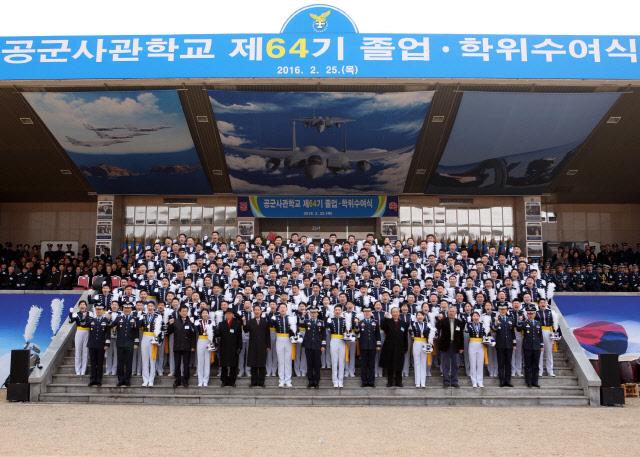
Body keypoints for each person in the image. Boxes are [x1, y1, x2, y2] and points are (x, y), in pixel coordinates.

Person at [167, 305, 196, 388]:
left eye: (186, 311)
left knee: (186, 364)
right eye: (182, 311)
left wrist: (193, 346)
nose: (184, 313)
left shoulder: (190, 322)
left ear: (187, 312)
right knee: (177, 364)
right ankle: (177, 380)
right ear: (179, 312)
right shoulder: (175, 321)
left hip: (187, 346)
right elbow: (168, 332)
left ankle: (185, 380)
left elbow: (193, 335)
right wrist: (170, 324)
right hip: (177, 346)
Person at [380, 307, 409, 388]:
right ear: (391, 313)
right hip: (389, 347)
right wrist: (385, 318)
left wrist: (405, 347)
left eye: (397, 312)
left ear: (399, 313)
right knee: (390, 365)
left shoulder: (404, 323)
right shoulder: (388, 322)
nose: (395, 313)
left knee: (399, 364)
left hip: (400, 347)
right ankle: (390, 381)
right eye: (393, 312)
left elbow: (405, 336)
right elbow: (382, 327)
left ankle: (399, 382)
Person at [243, 304, 271, 387]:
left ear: (261, 311)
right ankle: (253, 382)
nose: (257, 311)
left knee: (262, 364)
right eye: (255, 310)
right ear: (253, 311)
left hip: (262, 346)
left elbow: (267, 334)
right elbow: (245, 330)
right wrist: (244, 322)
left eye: (258, 310)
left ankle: (261, 382)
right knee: (253, 364)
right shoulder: (250, 321)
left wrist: (268, 345)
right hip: (253, 346)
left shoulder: (264, 321)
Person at [436, 306, 464, 388]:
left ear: (456, 313)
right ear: (448, 312)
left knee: (455, 364)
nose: (451, 313)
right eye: (450, 311)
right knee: (445, 364)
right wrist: (439, 319)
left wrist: (462, 347)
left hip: (455, 346)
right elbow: (437, 326)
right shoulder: (443, 321)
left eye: (453, 311)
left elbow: (461, 336)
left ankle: (455, 381)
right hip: (445, 346)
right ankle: (446, 381)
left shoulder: (459, 322)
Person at [111, 302, 138, 387]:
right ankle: (120, 379)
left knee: (129, 362)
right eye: (125, 308)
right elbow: (111, 325)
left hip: (130, 343)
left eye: (128, 308)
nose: (127, 310)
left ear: (131, 309)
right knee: (120, 362)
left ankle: (127, 380)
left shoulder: (134, 318)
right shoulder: (119, 318)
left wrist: (136, 342)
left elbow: (136, 331)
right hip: (120, 343)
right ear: (123, 309)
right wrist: (108, 318)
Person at [215, 308, 242, 387]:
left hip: (234, 348)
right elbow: (218, 334)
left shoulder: (237, 323)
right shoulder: (221, 323)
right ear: (225, 315)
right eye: (227, 314)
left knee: (233, 366)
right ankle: (224, 381)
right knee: (224, 365)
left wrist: (239, 347)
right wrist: (214, 330)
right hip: (224, 348)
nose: (228, 315)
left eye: (230, 314)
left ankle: (232, 381)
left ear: (232, 315)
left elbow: (239, 337)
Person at [271, 303, 296, 388]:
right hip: (279, 338)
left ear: (286, 309)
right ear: (278, 309)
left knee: (288, 360)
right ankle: (281, 380)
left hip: (288, 339)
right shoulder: (275, 317)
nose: (282, 309)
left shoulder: (291, 318)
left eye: (284, 307)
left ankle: (288, 380)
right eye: (281, 307)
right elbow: (270, 324)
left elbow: (294, 330)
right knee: (281, 360)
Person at [492, 303, 516, 387]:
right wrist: (496, 323)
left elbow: (512, 332)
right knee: (501, 363)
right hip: (500, 345)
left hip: (509, 345)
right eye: (501, 309)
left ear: (506, 310)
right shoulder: (496, 319)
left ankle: (508, 381)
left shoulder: (510, 319)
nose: (502, 311)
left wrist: (514, 343)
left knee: (508, 363)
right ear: (499, 310)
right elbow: (493, 329)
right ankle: (502, 381)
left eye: (504, 309)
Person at [356, 306, 381, 388]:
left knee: (371, 364)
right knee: (364, 365)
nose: (367, 313)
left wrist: (378, 345)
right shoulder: (360, 322)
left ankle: (371, 381)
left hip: (372, 346)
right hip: (363, 346)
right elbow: (357, 333)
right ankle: (364, 381)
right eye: (365, 312)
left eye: (368, 312)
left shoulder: (375, 322)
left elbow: (378, 334)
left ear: (371, 313)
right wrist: (356, 325)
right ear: (363, 313)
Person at [519, 306, 544, 388]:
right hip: (527, 347)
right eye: (529, 313)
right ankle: (528, 382)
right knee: (528, 365)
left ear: (535, 313)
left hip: (537, 347)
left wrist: (541, 345)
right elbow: (519, 328)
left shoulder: (538, 323)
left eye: (532, 313)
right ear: (527, 314)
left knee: (536, 365)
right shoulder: (524, 323)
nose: (530, 315)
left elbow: (540, 335)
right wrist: (520, 320)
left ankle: (535, 381)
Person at [139, 301, 162, 387]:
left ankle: (151, 380)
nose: (150, 307)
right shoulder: (143, 315)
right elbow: (138, 325)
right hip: (145, 336)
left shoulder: (158, 316)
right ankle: (145, 379)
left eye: (151, 306)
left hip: (153, 337)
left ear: (154, 307)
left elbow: (159, 328)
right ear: (146, 307)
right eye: (148, 306)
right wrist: (139, 315)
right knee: (144, 359)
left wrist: (156, 338)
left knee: (152, 359)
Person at [86, 304, 109, 387]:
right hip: (92, 344)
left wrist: (107, 343)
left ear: (103, 311)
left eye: (100, 309)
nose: (98, 311)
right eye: (97, 310)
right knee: (92, 363)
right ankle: (92, 379)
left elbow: (108, 333)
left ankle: (99, 380)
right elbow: (84, 324)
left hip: (101, 344)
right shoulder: (92, 320)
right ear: (95, 311)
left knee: (99, 363)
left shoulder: (106, 320)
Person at [302, 307, 326, 388]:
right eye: (311, 313)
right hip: (308, 346)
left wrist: (323, 345)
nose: (313, 314)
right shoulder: (306, 321)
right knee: (309, 364)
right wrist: (303, 316)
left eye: (315, 312)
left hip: (317, 346)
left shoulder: (321, 322)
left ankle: (316, 381)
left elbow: (324, 335)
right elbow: (300, 324)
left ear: (317, 314)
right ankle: (310, 381)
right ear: (309, 313)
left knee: (317, 364)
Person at [68, 300, 91, 376]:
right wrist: (70, 314)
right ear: (79, 306)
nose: (82, 306)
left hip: (87, 332)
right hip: (79, 332)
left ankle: (83, 370)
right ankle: (77, 370)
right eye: (81, 304)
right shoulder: (76, 314)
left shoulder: (90, 313)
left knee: (85, 352)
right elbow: (71, 321)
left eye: (84, 304)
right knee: (78, 351)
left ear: (86, 306)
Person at [327, 304, 347, 388]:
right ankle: (335, 380)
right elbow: (327, 329)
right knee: (334, 361)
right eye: (336, 310)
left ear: (341, 311)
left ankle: (341, 380)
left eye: (339, 310)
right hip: (334, 339)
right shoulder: (330, 319)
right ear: (334, 311)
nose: (337, 311)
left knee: (341, 361)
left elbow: (347, 329)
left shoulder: (345, 320)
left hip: (342, 340)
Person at [410, 310, 430, 388]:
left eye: (421, 315)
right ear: (416, 317)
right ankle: (417, 382)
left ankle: (423, 382)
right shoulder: (413, 324)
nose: (420, 316)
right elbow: (410, 332)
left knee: (423, 362)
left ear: (424, 316)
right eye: (418, 315)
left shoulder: (428, 324)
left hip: (425, 343)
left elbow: (434, 333)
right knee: (417, 362)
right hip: (417, 342)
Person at [536, 299, 556, 377]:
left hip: (549, 331)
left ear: (546, 303)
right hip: (539, 332)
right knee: (540, 352)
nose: (543, 304)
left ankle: (550, 371)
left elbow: (555, 323)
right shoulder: (536, 313)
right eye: (541, 303)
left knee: (549, 352)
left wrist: (556, 333)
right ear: (538, 304)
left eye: (544, 302)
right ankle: (540, 371)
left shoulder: (551, 312)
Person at [466, 311, 486, 388]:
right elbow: (466, 332)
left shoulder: (482, 324)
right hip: (472, 343)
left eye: (477, 316)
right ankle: (474, 381)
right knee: (473, 363)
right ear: (471, 317)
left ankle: (480, 381)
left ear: (479, 317)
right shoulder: (468, 324)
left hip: (481, 344)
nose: (476, 317)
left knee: (480, 364)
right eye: (474, 316)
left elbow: (485, 334)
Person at [195, 308, 214, 387]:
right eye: (203, 313)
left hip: (208, 340)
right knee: (200, 361)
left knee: (207, 361)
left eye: (206, 313)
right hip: (200, 340)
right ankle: (200, 380)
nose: (205, 314)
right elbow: (196, 330)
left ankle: (206, 380)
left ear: (208, 314)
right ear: (201, 314)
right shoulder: (197, 321)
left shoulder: (211, 322)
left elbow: (214, 331)